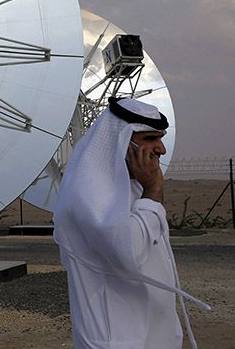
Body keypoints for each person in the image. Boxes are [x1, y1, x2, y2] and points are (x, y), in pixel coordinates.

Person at [53, 97, 210, 349]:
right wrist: (153, 187)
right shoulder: (88, 193)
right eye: (149, 139)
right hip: (115, 339)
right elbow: (129, 252)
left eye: (160, 138)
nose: (161, 148)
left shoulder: (128, 188)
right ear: (121, 141)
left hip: (148, 334)